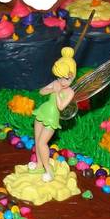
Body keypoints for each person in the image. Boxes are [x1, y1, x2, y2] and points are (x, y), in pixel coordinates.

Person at [31, 47, 77, 181]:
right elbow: (42, 92)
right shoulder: (56, 83)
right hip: (42, 111)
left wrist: (57, 92)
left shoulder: (70, 92)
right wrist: (52, 89)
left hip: (52, 117)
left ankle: (49, 171)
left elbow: (61, 106)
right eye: (59, 78)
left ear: (72, 76)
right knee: (37, 140)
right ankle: (39, 165)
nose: (62, 82)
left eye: (66, 79)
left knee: (42, 143)